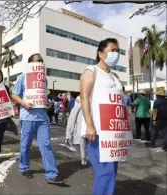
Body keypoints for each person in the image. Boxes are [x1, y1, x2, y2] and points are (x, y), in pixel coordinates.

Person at [11, 53, 65, 184]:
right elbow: (14, 95)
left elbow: (42, 97)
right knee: (25, 146)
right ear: (31, 64)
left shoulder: (43, 80)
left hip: (42, 119)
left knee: (46, 145)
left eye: (42, 61)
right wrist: (24, 104)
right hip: (27, 118)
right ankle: (24, 168)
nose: (40, 62)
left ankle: (51, 174)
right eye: (38, 60)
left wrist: (46, 103)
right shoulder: (22, 77)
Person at [80, 38, 123, 195]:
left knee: (111, 172)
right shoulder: (91, 71)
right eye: (112, 50)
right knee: (105, 173)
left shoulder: (115, 76)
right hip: (97, 130)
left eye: (118, 51)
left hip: (113, 132)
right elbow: (84, 98)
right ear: (100, 53)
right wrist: (89, 124)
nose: (116, 54)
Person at [65, 95, 87, 165]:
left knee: (82, 143)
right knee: (83, 143)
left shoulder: (79, 100)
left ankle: (83, 158)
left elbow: (71, 119)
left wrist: (69, 134)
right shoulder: (80, 98)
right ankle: (83, 158)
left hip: (82, 126)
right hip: (83, 125)